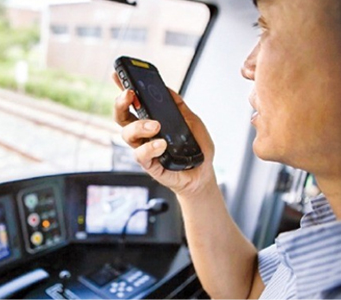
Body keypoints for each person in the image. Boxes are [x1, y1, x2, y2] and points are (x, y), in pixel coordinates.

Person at [112, 0, 341, 298]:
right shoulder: (328, 228)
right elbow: (247, 288)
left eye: (266, 29)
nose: (247, 67)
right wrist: (198, 184)